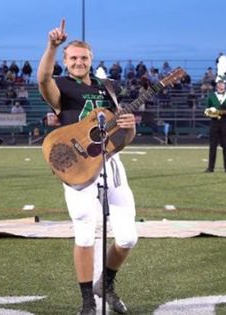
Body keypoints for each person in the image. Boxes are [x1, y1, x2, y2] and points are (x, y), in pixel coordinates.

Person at [38, 19, 137, 315]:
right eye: (73, 58)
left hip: (110, 162)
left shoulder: (109, 88)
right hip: (79, 166)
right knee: (84, 232)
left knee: (128, 237)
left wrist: (130, 127)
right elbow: (44, 80)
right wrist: (52, 47)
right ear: (66, 62)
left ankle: (104, 284)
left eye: (84, 58)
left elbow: (122, 138)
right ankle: (86, 302)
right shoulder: (62, 87)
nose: (79, 62)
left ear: (91, 60)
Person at [204, 56, 226, 173]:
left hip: (224, 122)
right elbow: (206, 110)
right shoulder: (211, 96)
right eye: (220, 83)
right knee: (212, 146)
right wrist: (210, 112)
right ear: (217, 84)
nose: (221, 85)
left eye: (223, 83)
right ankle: (210, 168)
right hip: (214, 123)